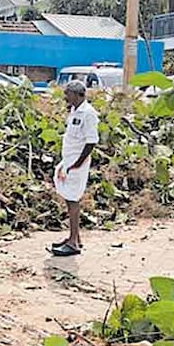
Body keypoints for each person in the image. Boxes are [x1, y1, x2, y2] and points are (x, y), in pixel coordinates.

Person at [51, 81, 100, 257]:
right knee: (67, 195)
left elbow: (91, 141)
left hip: (77, 163)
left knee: (73, 199)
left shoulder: (88, 114)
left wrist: (78, 163)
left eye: (68, 94)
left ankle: (73, 242)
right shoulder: (74, 111)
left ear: (78, 94)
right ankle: (75, 238)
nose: (65, 97)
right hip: (69, 160)